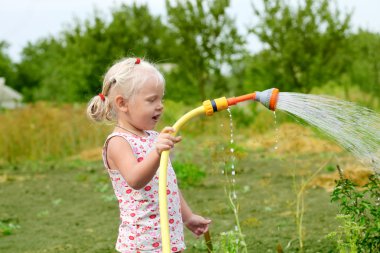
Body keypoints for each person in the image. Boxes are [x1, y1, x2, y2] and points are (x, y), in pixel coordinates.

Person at [87, 57, 211, 253]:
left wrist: (187, 216)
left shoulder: (154, 137)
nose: (160, 105)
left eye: (161, 98)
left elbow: (166, 183)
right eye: (152, 99)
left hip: (168, 237)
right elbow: (136, 179)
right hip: (141, 243)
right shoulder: (118, 142)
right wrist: (156, 151)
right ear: (123, 103)